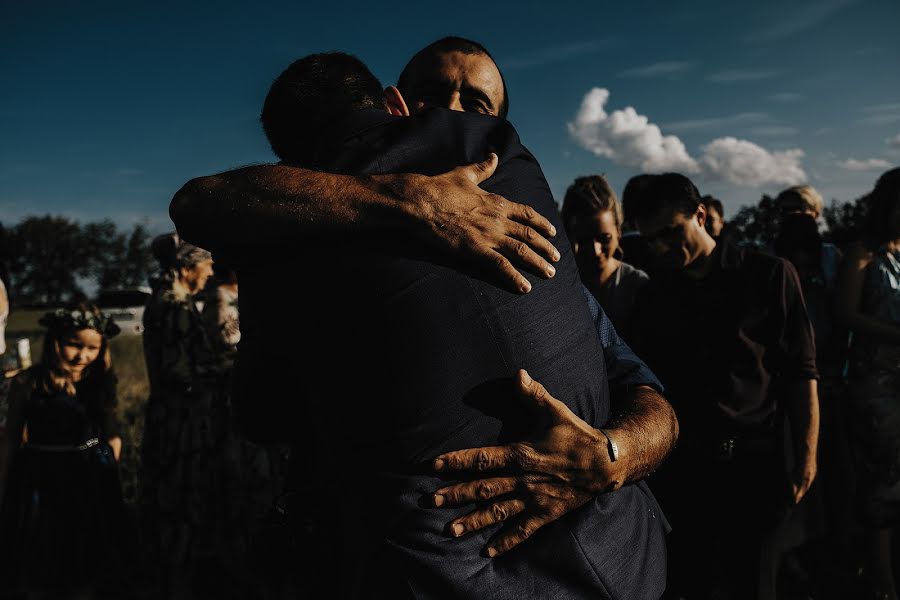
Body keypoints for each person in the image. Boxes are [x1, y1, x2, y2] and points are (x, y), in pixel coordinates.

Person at [210, 51, 674, 598]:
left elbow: (655, 406)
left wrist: (607, 457)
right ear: (400, 105)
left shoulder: (540, 253)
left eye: (476, 106)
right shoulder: (302, 219)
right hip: (619, 568)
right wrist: (404, 200)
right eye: (436, 98)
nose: (454, 114)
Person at [627, 173, 820, 600]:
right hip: (683, 469)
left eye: (671, 232)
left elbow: (801, 373)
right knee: (689, 582)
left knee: (753, 582)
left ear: (701, 216)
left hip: (754, 462)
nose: (662, 247)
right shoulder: (655, 296)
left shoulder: (769, 275)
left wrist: (805, 458)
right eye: (651, 238)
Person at [0, 304, 129, 597]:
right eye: (74, 345)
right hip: (40, 474)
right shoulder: (29, 382)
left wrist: (109, 473)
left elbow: (112, 434)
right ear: (56, 341)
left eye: (92, 348)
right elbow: (11, 436)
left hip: (86, 474)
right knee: (41, 546)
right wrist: (4, 482)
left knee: (83, 549)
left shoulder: (99, 383)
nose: (83, 356)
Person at [836, 166, 900, 600]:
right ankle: (882, 583)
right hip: (875, 383)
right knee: (884, 481)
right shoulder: (863, 252)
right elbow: (845, 314)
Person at [561, 175, 649, 340]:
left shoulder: (637, 286)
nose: (595, 250)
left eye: (604, 238)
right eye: (584, 240)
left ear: (619, 230)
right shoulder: (559, 284)